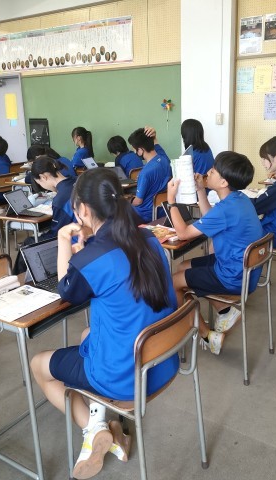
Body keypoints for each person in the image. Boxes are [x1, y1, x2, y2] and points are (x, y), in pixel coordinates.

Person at [30, 168, 177, 479]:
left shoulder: (94, 257)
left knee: (39, 365)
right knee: (88, 332)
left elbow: (66, 290)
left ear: (83, 210)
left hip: (123, 376)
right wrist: (86, 253)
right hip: (162, 360)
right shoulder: (149, 237)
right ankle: (111, 429)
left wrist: (64, 241)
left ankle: (93, 428)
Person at [167, 151, 263, 354]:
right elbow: (212, 217)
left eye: (213, 170)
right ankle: (225, 310)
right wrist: (201, 191)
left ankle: (207, 335)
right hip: (244, 270)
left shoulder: (226, 209)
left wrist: (171, 201)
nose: (207, 173)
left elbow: (183, 233)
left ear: (223, 182)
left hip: (232, 276)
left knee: (174, 282)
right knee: (183, 266)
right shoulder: (239, 199)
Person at [13, 155, 78, 274]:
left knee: (29, 242)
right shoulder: (76, 181)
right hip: (86, 232)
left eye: (40, 183)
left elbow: (56, 235)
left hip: (73, 240)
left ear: (44, 177)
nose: (42, 187)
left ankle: (17, 278)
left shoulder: (61, 198)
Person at [127, 127, 171, 222]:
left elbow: (138, 201)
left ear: (140, 150)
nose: (134, 152)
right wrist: (154, 137)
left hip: (145, 214)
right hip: (163, 210)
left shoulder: (145, 173)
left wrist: (128, 201)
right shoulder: (165, 159)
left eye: (134, 150)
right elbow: (157, 144)